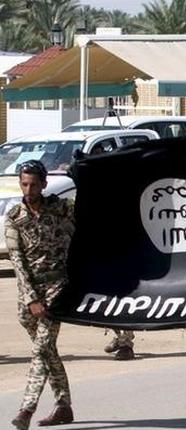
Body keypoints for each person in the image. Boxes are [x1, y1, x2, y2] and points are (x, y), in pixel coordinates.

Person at [5, 160, 75, 430]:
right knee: (48, 351)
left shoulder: (61, 209)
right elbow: (18, 263)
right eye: (24, 183)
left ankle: (26, 409)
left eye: (34, 184)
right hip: (30, 295)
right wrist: (31, 299)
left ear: (44, 184)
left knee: (40, 349)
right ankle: (64, 406)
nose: (29, 189)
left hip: (58, 288)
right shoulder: (14, 217)